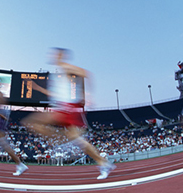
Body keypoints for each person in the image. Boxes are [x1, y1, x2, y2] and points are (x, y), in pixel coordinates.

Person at [22, 48, 115, 179]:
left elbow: (86, 73)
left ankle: (62, 139)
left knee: (31, 122)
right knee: (78, 141)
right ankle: (103, 163)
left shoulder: (66, 67)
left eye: (55, 54)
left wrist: (87, 95)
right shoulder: (58, 73)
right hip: (60, 107)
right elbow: (55, 94)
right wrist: (38, 88)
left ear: (61, 55)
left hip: (67, 108)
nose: (52, 56)